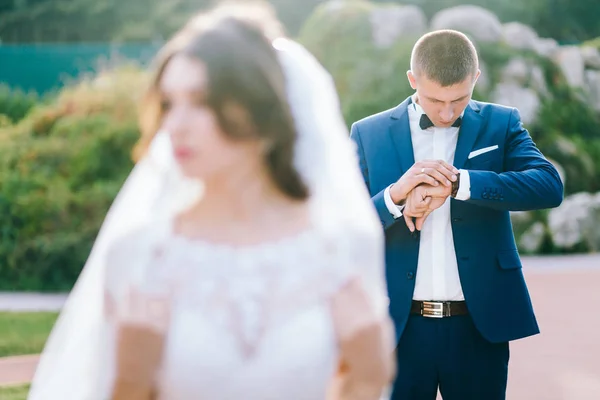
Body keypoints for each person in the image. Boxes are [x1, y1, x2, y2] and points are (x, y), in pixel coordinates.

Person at [28, 3, 395, 399]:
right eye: (169, 103)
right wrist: (131, 381)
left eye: (200, 101)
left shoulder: (343, 248)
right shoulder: (140, 254)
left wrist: (367, 378)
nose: (175, 124)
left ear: (261, 111)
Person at [350, 29, 563, 400]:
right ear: (413, 80)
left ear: (475, 79)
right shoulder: (368, 133)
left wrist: (459, 183)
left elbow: (548, 185)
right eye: (435, 101)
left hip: (478, 327)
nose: (448, 113)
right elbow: (343, 227)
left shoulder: (503, 123)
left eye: (460, 99)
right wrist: (396, 199)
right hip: (397, 327)